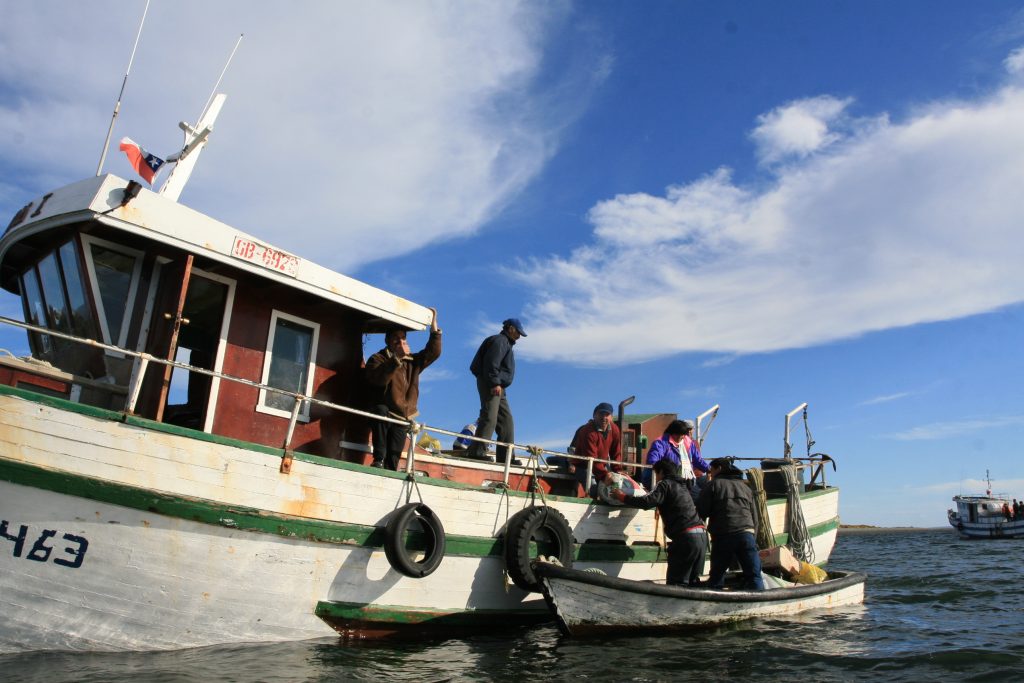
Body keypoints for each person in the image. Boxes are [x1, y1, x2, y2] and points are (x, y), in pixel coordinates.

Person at [364, 308, 442, 469]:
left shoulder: (412, 361)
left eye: (403, 339)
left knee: (393, 460)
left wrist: (434, 327)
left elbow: (432, 353)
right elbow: (379, 380)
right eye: (396, 339)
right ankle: (378, 460)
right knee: (380, 412)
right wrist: (395, 359)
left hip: (402, 415)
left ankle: (388, 473)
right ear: (387, 341)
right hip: (384, 412)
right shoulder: (377, 359)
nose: (400, 343)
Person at [611, 460, 707, 586]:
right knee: (693, 583)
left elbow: (647, 502)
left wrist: (622, 497)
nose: (655, 478)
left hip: (686, 538)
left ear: (661, 472)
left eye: (656, 474)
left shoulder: (665, 484)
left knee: (676, 584)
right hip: (702, 538)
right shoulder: (683, 486)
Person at [696, 457, 764, 591]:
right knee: (754, 575)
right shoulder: (746, 488)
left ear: (719, 469)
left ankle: (714, 606)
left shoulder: (713, 485)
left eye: (712, 470)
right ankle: (760, 603)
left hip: (723, 536)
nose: (710, 474)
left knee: (717, 577)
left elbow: (702, 511)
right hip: (747, 535)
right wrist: (752, 536)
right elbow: (755, 517)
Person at [467, 318, 525, 464]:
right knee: (490, 417)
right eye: (518, 332)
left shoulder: (505, 343)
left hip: (499, 385)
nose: (519, 336)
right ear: (510, 328)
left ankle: (506, 457)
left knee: (506, 421)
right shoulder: (500, 341)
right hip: (492, 384)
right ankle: (477, 452)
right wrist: (494, 383)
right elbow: (491, 364)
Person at [642, 419, 709, 498]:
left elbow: (697, 459)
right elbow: (653, 460)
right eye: (680, 435)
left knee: (705, 494)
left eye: (684, 435)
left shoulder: (688, 442)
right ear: (673, 433)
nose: (682, 437)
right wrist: (666, 471)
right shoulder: (661, 442)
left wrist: (709, 469)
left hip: (686, 479)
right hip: (668, 481)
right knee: (697, 497)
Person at [567, 402, 623, 497]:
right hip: (583, 465)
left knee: (618, 484)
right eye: (601, 414)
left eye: (607, 415)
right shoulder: (587, 431)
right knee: (594, 488)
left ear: (611, 417)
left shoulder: (615, 429)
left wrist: (617, 471)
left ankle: (616, 503)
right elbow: (591, 457)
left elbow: (616, 452)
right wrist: (605, 475)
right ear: (594, 415)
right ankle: (595, 508)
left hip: (600, 465)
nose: (604, 417)